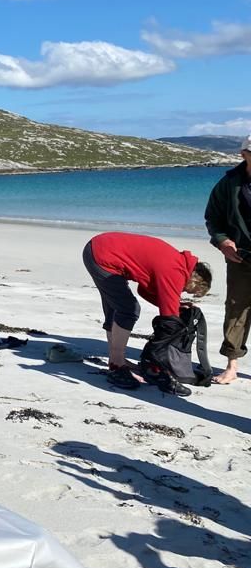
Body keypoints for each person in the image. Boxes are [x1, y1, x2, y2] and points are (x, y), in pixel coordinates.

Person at [82, 232, 212, 389]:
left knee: (116, 307)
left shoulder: (176, 261)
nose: (183, 292)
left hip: (98, 247)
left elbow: (145, 291)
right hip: (103, 257)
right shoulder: (176, 270)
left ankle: (116, 358)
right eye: (189, 291)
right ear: (195, 281)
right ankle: (117, 365)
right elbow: (169, 318)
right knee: (128, 309)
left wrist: (176, 304)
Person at [204, 137, 251, 384]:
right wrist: (222, 241)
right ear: (244, 154)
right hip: (241, 258)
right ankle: (232, 365)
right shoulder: (228, 184)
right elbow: (213, 218)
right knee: (236, 309)